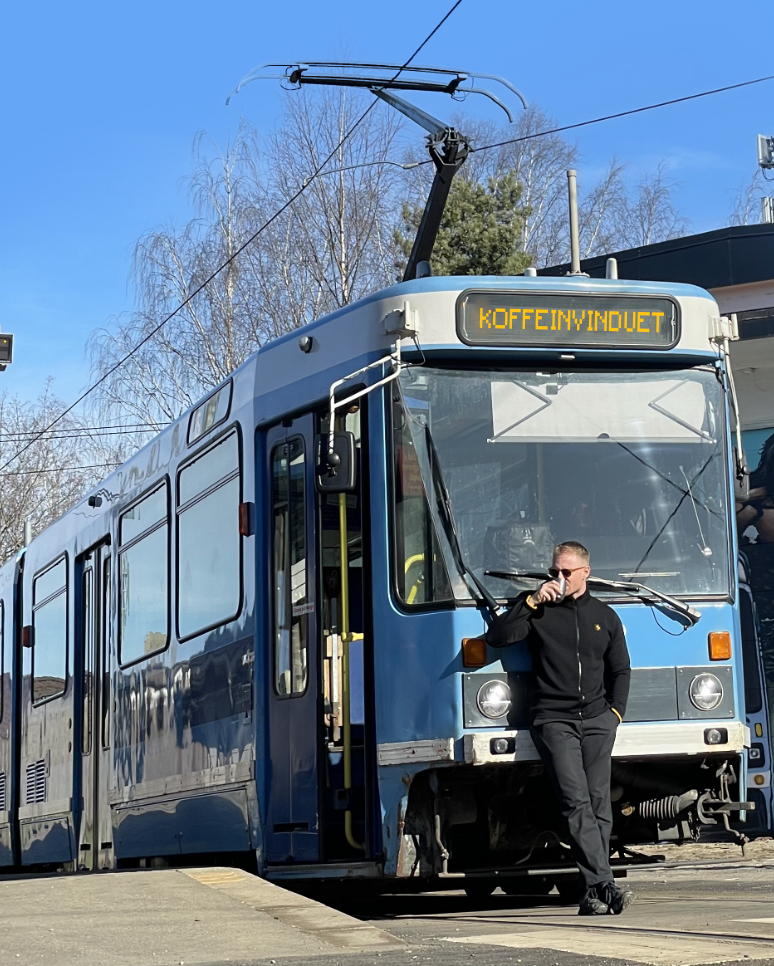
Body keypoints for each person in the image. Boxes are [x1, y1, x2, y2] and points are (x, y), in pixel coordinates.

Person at [485, 540, 633, 916]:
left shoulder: (605, 616)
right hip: (553, 720)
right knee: (575, 801)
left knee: (599, 804)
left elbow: (620, 669)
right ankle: (605, 884)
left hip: (598, 721)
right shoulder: (538, 610)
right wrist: (533, 600)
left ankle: (592, 893)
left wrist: (615, 714)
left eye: (567, 572)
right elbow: (498, 637)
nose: (559, 578)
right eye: (554, 571)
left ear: (585, 573)